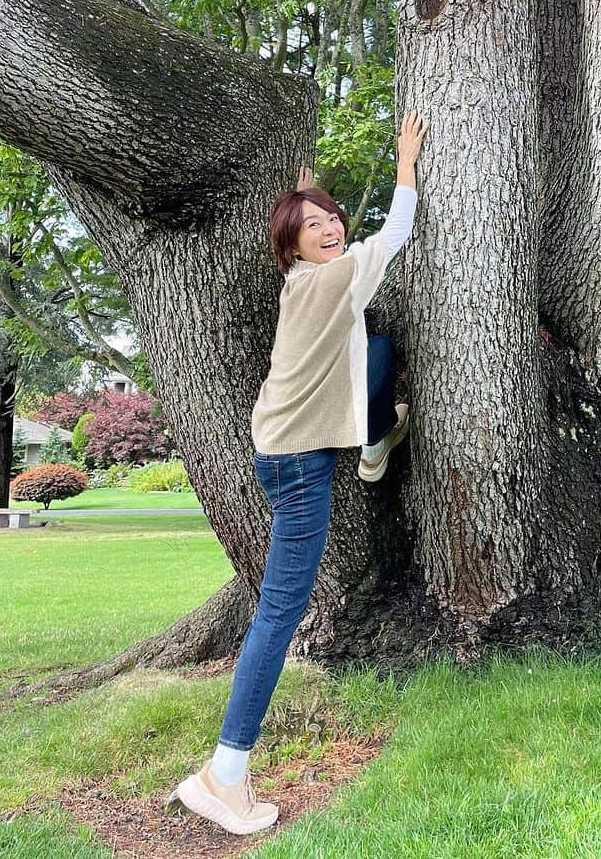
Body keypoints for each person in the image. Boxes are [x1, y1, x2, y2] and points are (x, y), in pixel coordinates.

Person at [168, 110, 428, 836]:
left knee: (376, 354)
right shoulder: (330, 280)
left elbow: (324, 242)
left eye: (332, 220)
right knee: (279, 614)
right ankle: (224, 774)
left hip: (283, 449)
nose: (331, 228)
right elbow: (397, 233)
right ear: (292, 247)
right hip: (301, 466)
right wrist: (405, 160)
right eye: (312, 226)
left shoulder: (301, 285)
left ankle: (374, 446)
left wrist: (302, 197)